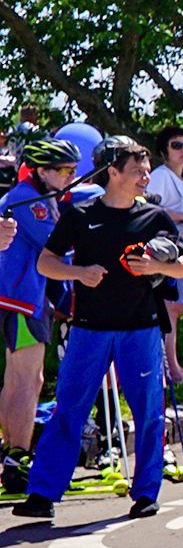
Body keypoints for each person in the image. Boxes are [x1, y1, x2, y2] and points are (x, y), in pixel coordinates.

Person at [15, 137, 183, 520]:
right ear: (112, 172)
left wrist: (159, 266)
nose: (146, 177)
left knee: (148, 412)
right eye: (137, 171)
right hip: (88, 330)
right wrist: (78, 273)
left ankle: (146, 493)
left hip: (141, 329)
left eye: (147, 170)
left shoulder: (156, 218)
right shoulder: (79, 215)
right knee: (69, 410)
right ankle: (43, 494)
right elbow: (46, 263)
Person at [0, 139, 96, 492]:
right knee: (30, 379)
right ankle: (17, 459)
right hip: (24, 297)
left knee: (16, 377)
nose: (73, 176)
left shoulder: (33, 196)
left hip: (19, 295)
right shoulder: (30, 201)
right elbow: (58, 246)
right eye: (66, 171)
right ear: (42, 171)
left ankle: (12, 452)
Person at [146, 126, 183, 387]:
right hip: (167, 255)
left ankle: (175, 365)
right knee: (168, 311)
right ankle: (171, 370)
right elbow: (148, 208)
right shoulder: (160, 176)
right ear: (163, 151)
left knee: (175, 311)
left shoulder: (181, 181)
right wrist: (182, 217)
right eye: (176, 145)